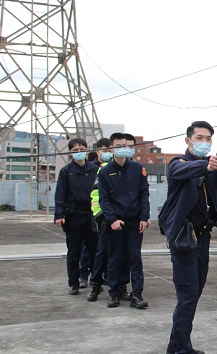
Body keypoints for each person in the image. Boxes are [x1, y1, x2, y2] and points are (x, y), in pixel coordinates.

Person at [158, 121, 217, 354]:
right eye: (199, 138)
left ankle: (176, 343)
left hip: (202, 237)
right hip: (184, 239)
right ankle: (182, 348)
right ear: (188, 141)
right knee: (188, 293)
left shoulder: (211, 167)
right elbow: (180, 171)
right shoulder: (179, 164)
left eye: (208, 139)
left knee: (195, 291)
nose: (204, 143)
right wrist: (207, 165)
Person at [98, 132, 150, 309]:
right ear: (112, 148)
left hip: (135, 222)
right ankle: (114, 293)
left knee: (135, 258)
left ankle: (137, 294)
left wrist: (144, 217)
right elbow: (104, 199)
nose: (125, 149)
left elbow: (144, 194)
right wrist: (112, 219)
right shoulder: (105, 171)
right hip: (115, 223)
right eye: (120, 146)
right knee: (115, 258)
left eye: (127, 146)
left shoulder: (137, 169)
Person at [54, 137, 98, 295]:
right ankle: (74, 282)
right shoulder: (66, 171)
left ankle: (96, 281)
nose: (79, 152)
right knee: (74, 251)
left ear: (87, 150)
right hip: (73, 215)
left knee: (95, 250)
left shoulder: (94, 170)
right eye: (75, 150)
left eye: (82, 149)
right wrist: (59, 214)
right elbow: (60, 194)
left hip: (92, 215)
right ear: (70, 152)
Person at [86, 138, 114, 302]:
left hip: (121, 220)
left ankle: (117, 286)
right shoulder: (100, 170)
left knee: (119, 256)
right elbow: (96, 196)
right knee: (101, 252)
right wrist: (100, 217)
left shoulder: (129, 169)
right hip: (104, 219)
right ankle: (95, 283)